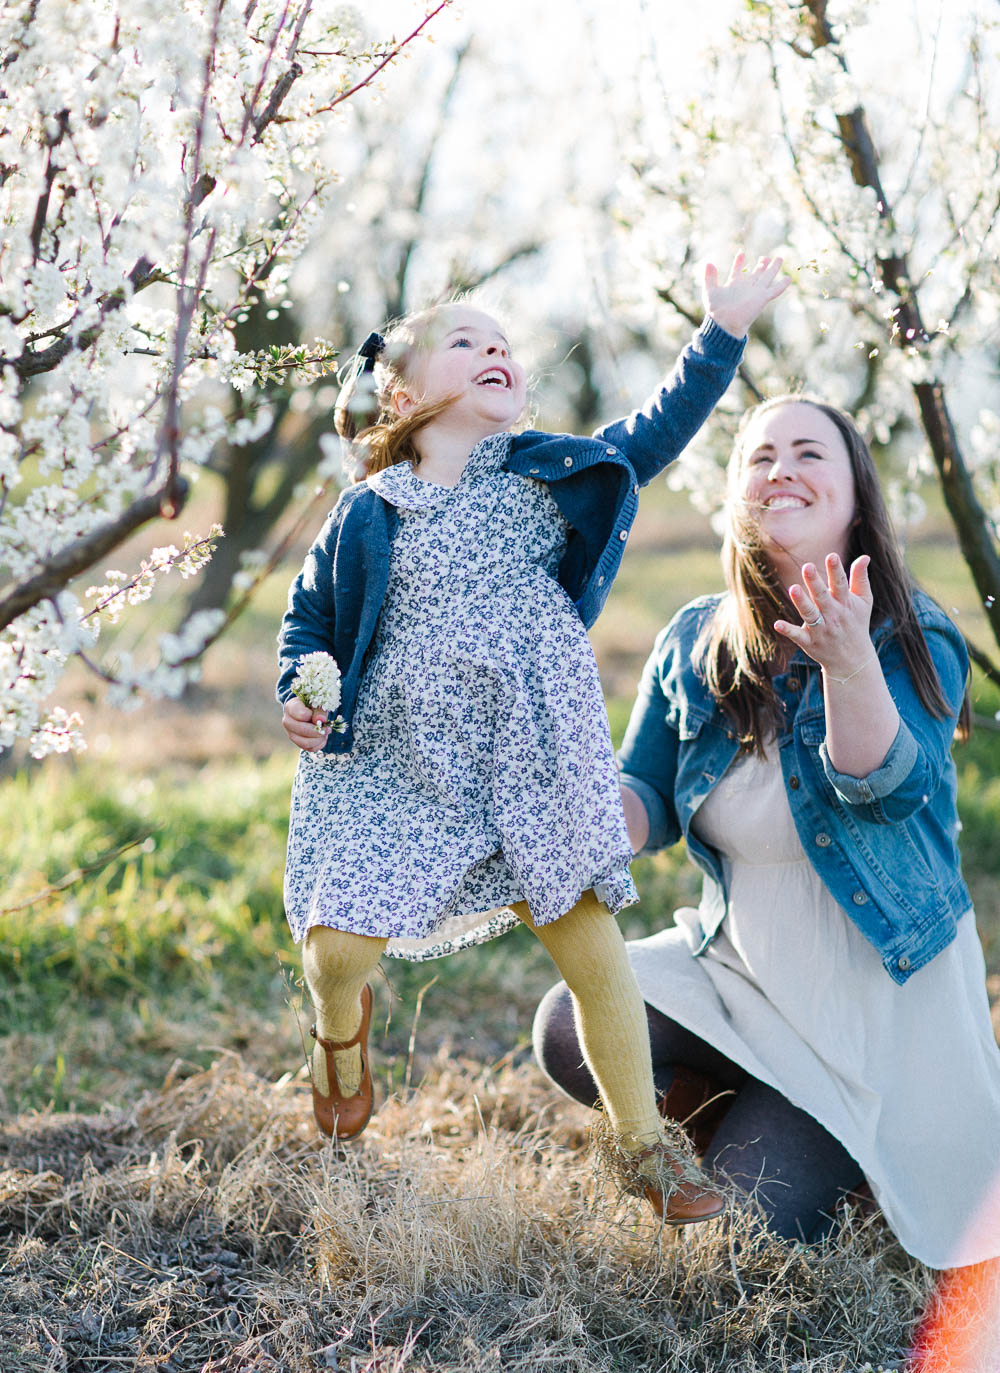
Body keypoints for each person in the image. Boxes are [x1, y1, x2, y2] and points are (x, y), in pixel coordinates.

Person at [276, 256, 788, 1225]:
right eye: (465, 342)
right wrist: (301, 691)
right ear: (405, 391)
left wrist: (719, 334)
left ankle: (644, 1143)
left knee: (594, 947)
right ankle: (338, 1039)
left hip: (530, 758)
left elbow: (652, 433)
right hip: (403, 760)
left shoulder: (550, 475)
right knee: (339, 947)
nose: (495, 352)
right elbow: (307, 623)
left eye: (504, 344)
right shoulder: (370, 512)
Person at [533, 393, 1000, 1267]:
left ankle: (843, 1149)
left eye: (809, 453)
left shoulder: (917, 635)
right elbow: (647, 792)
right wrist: (584, 823)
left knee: (747, 1238)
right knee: (570, 1023)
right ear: (737, 493)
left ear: (857, 494)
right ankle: (751, 1096)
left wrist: (847, 661)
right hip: (743, 973)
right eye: (759, 455)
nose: (781, 468)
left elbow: (882, 791)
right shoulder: (694, 639)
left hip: (879, 1011)